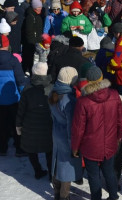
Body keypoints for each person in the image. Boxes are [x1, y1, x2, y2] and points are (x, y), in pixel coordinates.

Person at [71, 66, 122, 200]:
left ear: (88, 81)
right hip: (110, 143)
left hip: (91, 146)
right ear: (101, 78)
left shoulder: (83, 101)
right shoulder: (114, 95)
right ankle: (113, 196)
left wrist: (75, 147)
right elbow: (121, 119)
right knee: (109, 172)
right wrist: (118, 137)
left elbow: (78, 128)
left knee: (93, 175)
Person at [0, 34, 26, 155]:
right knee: (17, 124)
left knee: (0, 126)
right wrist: (23, 95)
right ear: (7, 45)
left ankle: (2, 148)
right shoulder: (13, 60)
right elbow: (20, 80)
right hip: (13, 98)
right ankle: (19, 147)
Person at [16, 62, 54, 179]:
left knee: (31, 149)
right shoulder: (51, 87)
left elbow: (21, 109)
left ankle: (37, 170)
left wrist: (18, 125)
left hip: (30, 125)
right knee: (49, 150)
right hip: (48, 125)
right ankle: (51, 173)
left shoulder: (27, 88)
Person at [49, 67, 82, 200]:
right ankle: (64, 196)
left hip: (56, 132)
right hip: (66, 137)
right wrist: (74, 146)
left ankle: (56, 193)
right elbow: (71, 126)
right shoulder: (69, 100)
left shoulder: (53, 91)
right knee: (66, 168)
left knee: (56, 163)